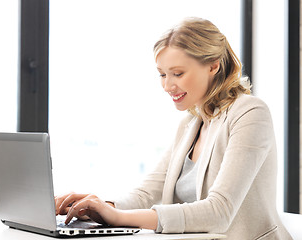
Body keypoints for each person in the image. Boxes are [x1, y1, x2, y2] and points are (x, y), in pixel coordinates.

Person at [55, 17, 292, 239]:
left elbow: (219, 211)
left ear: (213, 66)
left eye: (177, 73)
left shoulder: (250, 113)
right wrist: (97, 207)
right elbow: (147, 194)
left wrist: (118, 218)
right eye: (162, 74)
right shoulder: (190, 125)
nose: (167, 85)